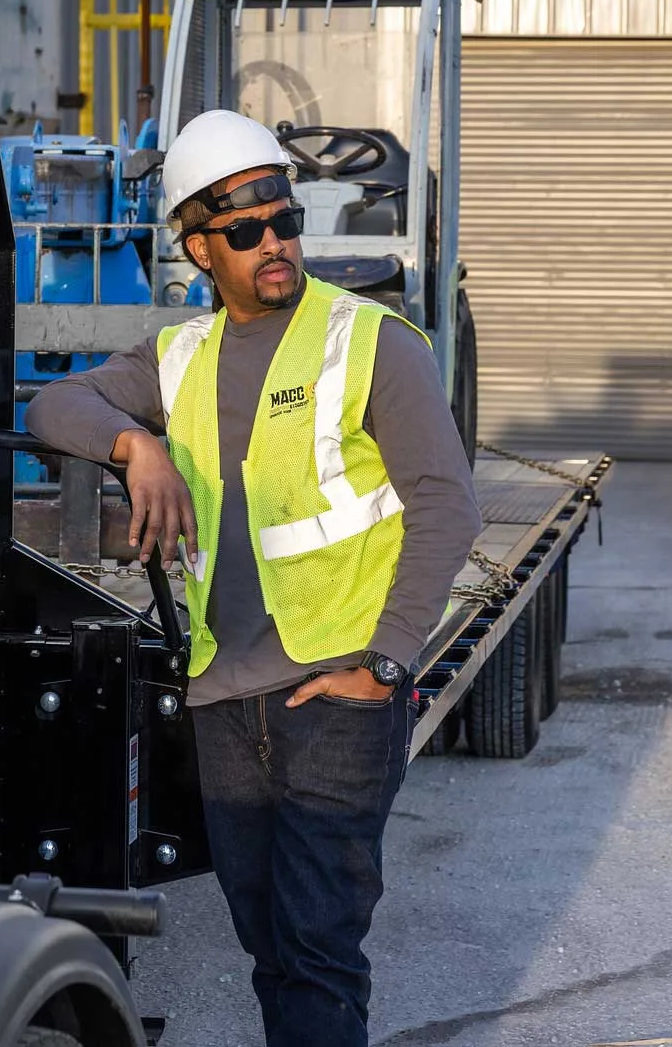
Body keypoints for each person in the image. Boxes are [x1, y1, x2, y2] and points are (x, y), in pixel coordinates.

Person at [24, 109, 482, 1047]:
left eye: (284, 219)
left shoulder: (372, 343)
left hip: (338, 694)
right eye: (245, 230)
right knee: (266, 944)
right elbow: (50, 404)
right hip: (223, 696)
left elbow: (448, 509)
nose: (274, 243)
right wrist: (133, 444)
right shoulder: (178, 356)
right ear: (198, 246)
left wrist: (386, 665)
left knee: (318, 950)